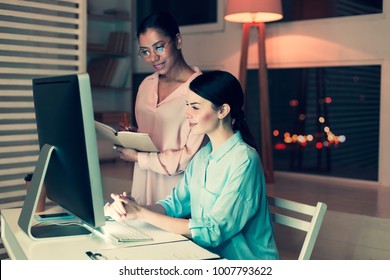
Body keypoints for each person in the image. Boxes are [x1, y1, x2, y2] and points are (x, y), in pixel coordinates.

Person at [105, 70, 280, 260]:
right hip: (204, 257)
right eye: (187, 105)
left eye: (195, 107)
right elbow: (174, 205)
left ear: (222, 111)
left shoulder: (245, 160)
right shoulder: (203, 156)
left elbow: (214, 230)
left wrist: (141, 214)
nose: (186, 113)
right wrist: (133, 208)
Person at [115, 12, 205, 204]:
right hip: (143, 186)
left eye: (159, 47)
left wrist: (139, 157)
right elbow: (151, 134)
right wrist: (134, 135)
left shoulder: (201, 90)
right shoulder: (146, 85)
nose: (153, 57)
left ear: (178, 40)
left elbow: (188, 158)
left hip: (178, 196)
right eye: (145, 51)